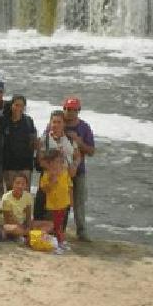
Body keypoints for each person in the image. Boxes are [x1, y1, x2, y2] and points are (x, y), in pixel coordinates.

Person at [33, 110, 81, 223]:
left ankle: (59, 236)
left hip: (65, 179)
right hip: (48, 177)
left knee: (62, 211)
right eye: (54, 122)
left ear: (64, 123)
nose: (56, 125)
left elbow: (77, 156)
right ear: (50, 123)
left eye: (59, 122)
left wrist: (74, 166)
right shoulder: (44, 140)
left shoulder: (69, 139)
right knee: (41, 209)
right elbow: (40, 161)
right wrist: (54, 170)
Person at [62, 97, 96, 242]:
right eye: (69, 109)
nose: (71, 113)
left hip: (78, 170)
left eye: (74, 110)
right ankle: (60, 229)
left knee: (79, 201)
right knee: (61, 202)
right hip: (60, 170)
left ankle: (81, 231)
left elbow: (92, 151)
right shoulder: (57, 122)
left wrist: (79, 141)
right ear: (64, 109)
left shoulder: (84, 127)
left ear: (79, 111)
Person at [0, 174, 53, 242]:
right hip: (11, 225)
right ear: (13, 184)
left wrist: (27, 226)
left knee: (50, 224)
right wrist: (23, 227)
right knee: (14, 228)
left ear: (26, 185)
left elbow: (28, 215)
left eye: (23, 184)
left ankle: (29, 235)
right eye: (17, 183)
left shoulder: (28, 196)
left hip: (23, 224)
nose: (20, 186)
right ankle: (34, 235)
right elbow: (8, 219)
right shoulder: (6, 198)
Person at [2, 95, 38, 193]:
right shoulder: (4, 121)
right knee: (10, 194)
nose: (18, 108)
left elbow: (33, 140)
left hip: (25, 164)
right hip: (9, 164)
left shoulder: (28, 121)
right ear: (11, 106)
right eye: (16, 105)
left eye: (21, 106)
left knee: (25, 194)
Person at [39, 149, 73, 251]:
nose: (58, 165)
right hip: (53, 205)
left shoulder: (65, 173)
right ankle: (58, 243)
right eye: (55, 162)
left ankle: (59, 241)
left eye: (60, 162)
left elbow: (70, 186)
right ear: (49, 164)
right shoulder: (46, 175)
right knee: (54, 225)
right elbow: (44, 189)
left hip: (64, 203)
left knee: (60, 224)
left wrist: (71, 201)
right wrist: (52, 180)